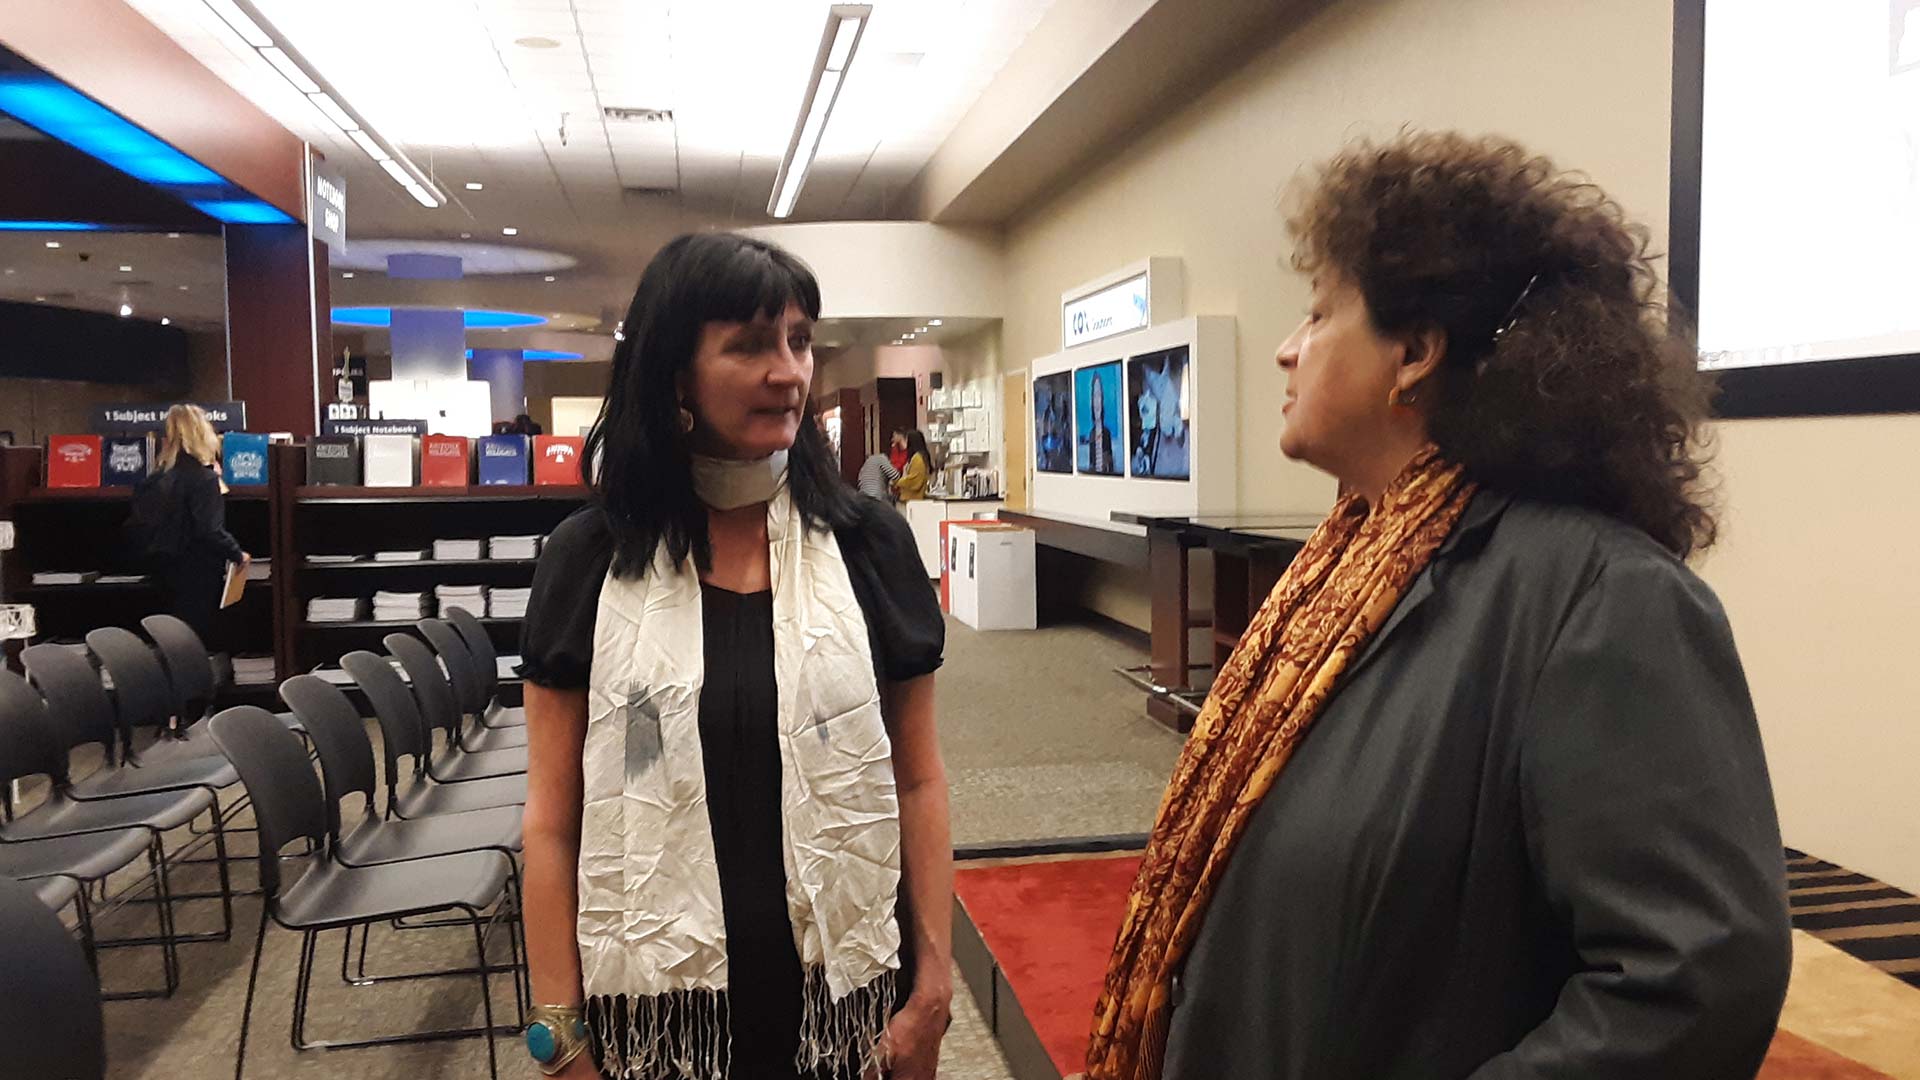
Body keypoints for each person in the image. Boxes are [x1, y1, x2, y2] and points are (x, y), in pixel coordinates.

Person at [1088, 131, 1791, 1080]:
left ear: (1414, 353)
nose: (1288, 352)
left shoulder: (1604, 599)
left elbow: (1694, 984)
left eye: (1317, 314)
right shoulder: (1346, 569)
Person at [516, 232, 952, 1080]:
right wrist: (558, 1036)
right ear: (675, 373)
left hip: (849, 997)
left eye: (798, 341)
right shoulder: (591, 564)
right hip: (658, 1011)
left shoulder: (869, 547)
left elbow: (917, 779)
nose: (788, 371)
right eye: (749, 345)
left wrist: (933, 982)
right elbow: (551, 820)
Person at [124, 404, 249, 646]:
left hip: (158, 572)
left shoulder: (152, 480)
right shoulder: (203, 479)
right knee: (195, 641)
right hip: (196, 573)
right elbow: (210, 530)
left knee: (167, 641)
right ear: (203, 434)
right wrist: (237, 553)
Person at [1084, 374, 1117, 475]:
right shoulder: (1092, 433)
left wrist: (1107, 460)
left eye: (1099, 396)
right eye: (1094, 396)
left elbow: (1111, 466)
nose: (1097, 402)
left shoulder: (1106, 433)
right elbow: (1091, 464)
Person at [893, 430, 931, 502]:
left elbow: (914, 480)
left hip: (912, 499)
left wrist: (897, 482)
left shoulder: (917, 458)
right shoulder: (920, 457)